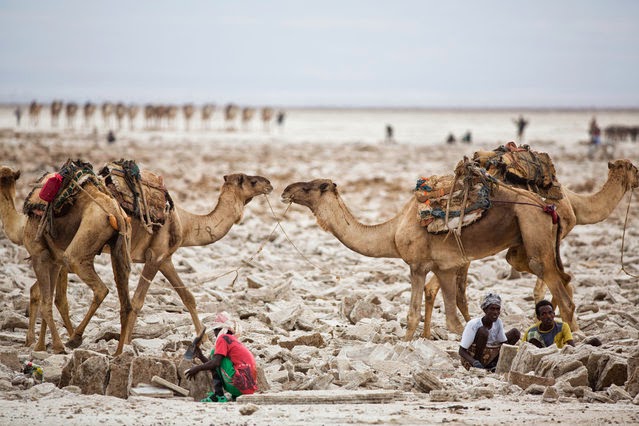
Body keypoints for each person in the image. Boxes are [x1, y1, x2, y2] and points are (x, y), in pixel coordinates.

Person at [185, 312, 258, 402]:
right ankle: (233, 395)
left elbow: (215, 363)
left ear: (221, 329)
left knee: (214, 353)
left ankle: (218, 395)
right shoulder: (233, 340)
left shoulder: (223, 338)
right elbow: (216, 365)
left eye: (215, 330)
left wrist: (196, 368)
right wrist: (200, 356)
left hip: (239, 386)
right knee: (217, 357)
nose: (215, 334)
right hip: (247, 389)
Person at [459, 293, 521, 371]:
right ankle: (479, 365)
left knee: (515, 333)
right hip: (471, 360)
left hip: (489, 356)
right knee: (483, 331)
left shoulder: (498, 322)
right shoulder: (474, 324)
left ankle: (493, 364)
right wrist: (474, 362)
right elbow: (461, 351)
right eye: (492, 309)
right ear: (485, 310)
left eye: (497, 309)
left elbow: (504, 343)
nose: (495, 312)